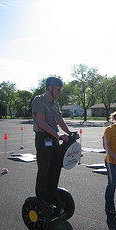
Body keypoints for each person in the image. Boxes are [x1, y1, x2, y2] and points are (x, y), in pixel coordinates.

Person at [31, 76, 78, 211]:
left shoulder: (56, 104)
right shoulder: (39, 101)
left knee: (55, 168)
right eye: (57, 90)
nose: (59, 92)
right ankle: (41, 200)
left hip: (54, 139)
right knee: (44, 170)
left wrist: (70, 133)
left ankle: (51, 195)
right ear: (49, 88)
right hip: (43, 138)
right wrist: (58, 135)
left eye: (60, 90)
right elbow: (41, 123)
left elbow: (60, 121)